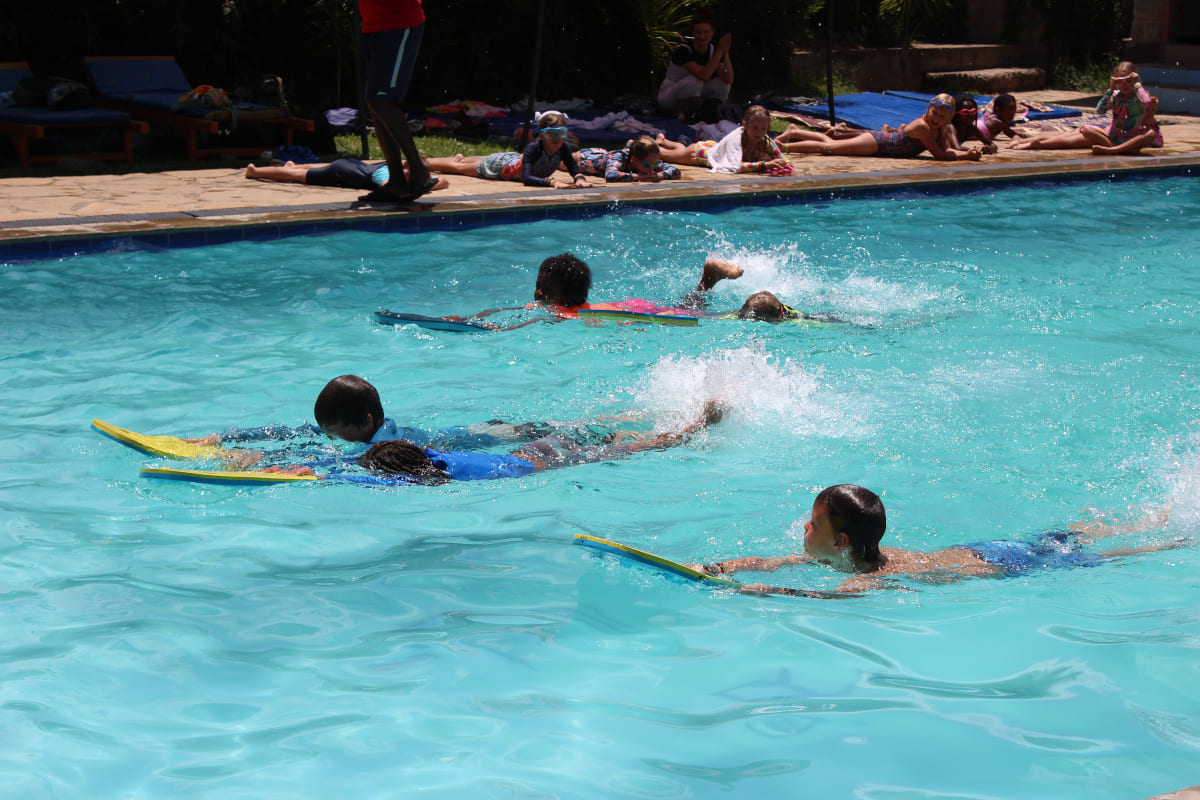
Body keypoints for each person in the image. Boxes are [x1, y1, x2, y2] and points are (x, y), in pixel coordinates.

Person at [696, 484, 1176, 595]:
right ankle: (1155, 514)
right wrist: (725, 567)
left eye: (814, 523)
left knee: (1102, 555)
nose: (803, 527)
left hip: (1002, 564)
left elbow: (823, 600)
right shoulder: (845, 557)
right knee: (1065, 537)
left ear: (841, 542)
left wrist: (764, 593)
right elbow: (771, 560)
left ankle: (1167, 539)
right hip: (981, 547)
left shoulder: (862, 580)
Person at [267, 401, 725, 482]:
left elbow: (365, 478)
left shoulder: (428, 475)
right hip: (536, 451)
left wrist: (304, 472)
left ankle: (687, 431)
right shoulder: (425, 458)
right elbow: (355, 470)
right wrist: (306, 470)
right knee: (594, 434)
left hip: (542, 463)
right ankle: (635, 422)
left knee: (623, 450)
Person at [448, 253, 829, 330]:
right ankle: (708, 279)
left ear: (555, 294)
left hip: (637, 313)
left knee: (732, 318)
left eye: (541, 288)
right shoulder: (583, 306)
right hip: (631, 307)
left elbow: (518, 317)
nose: (535, 292)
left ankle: (763, 306)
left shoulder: (565, 313)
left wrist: (474, 323)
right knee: (694, 309)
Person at [310, 374, 552, 448]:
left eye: (337, 433)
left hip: (487, 436)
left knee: (570, 433)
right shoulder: (381, 430)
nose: (334, 439)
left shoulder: (385, 444)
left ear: (366, 421)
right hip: (470, 431)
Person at [355, 0, 435, 203]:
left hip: (398, 24)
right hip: (372, 24)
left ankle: (419, 170)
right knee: (374, 103)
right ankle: (397, 181)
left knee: (382, 101)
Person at [773, 94, 982, 161]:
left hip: (879, 144)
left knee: (831, 143)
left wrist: (969, 152)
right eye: (935, 114)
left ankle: (795, 131)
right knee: (828, 148)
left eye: (942, 117)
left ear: (948, 118)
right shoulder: (923, 126)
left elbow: (947, 150)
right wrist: (966, 157)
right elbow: (939, 154)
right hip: (878, 143)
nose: (936, 118)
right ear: (928, 111)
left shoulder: (937, 128)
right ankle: (785, 148)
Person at [425, 111, 593, 189]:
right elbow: (526, 178)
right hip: (500, 168)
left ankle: (459, 158)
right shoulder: (534, 147)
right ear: (541, 136)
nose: (556, 139)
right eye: (551, 134)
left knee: (467, 163)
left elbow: (573, 167)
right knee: (458, 168)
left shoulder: (562, 147)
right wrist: (552, 182)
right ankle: (415, 163)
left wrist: (579, 179)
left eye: (561, 133)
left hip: (511, 160)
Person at [1010, 61, 1152, 152]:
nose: (1124, 85)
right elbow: (1100, 110)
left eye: (1128, 81)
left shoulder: (1138, 95)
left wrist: (1137, 83)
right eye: (1120, 82)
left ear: (1134, 80)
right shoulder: (1116, 95)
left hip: (1124, 141)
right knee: (1070, 136)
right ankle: (1027, 141)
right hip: (1110, 137)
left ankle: (1035, 143)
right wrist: (1109, 89)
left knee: (1071, 139)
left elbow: (1147, 102)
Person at [655, 105, 790, 174]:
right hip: (700, 154)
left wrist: (783, 164)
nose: (759, 132)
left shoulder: (764, 140)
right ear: (745, 124)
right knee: (663, 155)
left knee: (678, 152)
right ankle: (657, 145)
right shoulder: (737, 139)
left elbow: (782, 159)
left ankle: (664, 141)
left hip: (714, 147)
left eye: (763, 129)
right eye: (755, 128)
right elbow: (734, 166)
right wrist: (765, 165)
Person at [656, 11, 734, 120]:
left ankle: (710, 113)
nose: (702, 36)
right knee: (695, 81)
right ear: (693, 33)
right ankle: (679, 114)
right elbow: (703, 75)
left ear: (712, 32)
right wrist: (720, 50)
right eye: (698, 32)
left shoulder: (713, 51)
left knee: (723, 84)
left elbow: (728, 78)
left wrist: (725, 52)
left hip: (693, 98)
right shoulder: (684, 50)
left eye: (706, 32)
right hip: (670, 98)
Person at [244, 158, 448, 193]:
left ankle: (291, 164)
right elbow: (387, 187)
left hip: (354, 165)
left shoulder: (409, 175)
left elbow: (444, 181)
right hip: (341, 172)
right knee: (298, 176)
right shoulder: (386, 173)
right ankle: (255, 171)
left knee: (301, 170)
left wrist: (425, 185)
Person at [573, 136, 681, 182]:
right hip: (583, 159)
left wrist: (658, 175)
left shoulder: (648, 162)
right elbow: (611, 176)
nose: (652, 168)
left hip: (604, 155)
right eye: (648, 165)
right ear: (634, 159)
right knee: (559, 160)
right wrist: (639, 176)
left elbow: (676, 172)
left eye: (655, 163)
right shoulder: (619, 158)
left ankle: (628, 146)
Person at [1092, 95, 1162, 155]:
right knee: (1086, 130)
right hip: (1115, 138)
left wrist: (1146, 131)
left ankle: (1112, 150)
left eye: (1153, 110)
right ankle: (1120, 149)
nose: (1150, 113)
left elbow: (1159, 142)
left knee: (1151, 134)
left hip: (1128, 143)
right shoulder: (1132, 117)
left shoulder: (1152, 125)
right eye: (1147, 110)